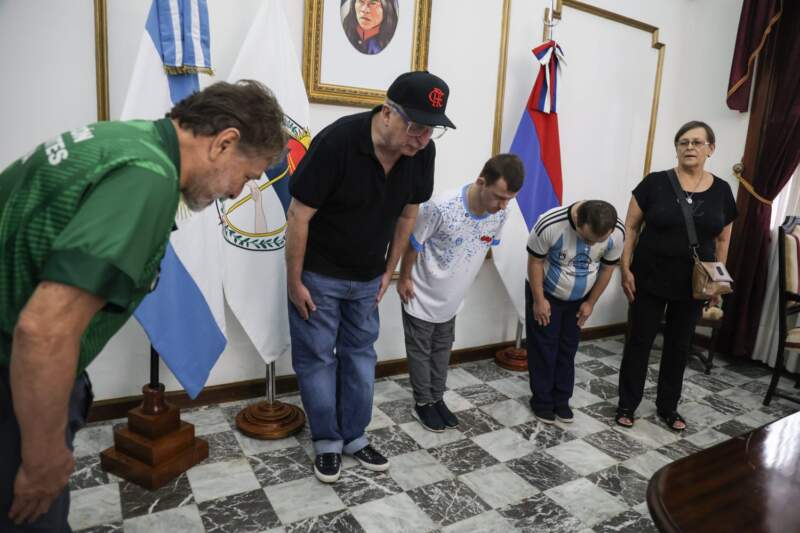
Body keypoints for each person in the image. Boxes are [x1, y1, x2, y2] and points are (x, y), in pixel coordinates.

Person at [0, 80, 287, 531]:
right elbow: (44, 331)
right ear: (225, 142)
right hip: (12, 383)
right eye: (247, 176)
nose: (236, 193)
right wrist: (42, 455)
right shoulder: (148, 178)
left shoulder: (126, 139)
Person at [286, 70, 454, 483]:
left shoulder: (421, 155)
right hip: (319, 275)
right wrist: (294, 281)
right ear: (386, 113)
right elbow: (298, 214)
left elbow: (409, 212)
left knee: (361, 358)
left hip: (367, 276)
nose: (421, 139)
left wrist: (391, 268)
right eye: (415, 126)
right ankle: (327, 440)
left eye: (431, 130)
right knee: (318, 359)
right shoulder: (337, 142)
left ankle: (354, 437)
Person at [616, 121, 736, 431]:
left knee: (678, 345)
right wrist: (624, 267)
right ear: (677, 148)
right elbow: (630, 227)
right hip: (649, 276)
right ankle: (627, 403)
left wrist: (719, 282)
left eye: (697, 142)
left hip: (693, 284)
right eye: (683, 142)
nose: (690, 147)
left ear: (710, 149)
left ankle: (668, 406)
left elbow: (723, 241)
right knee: (639, 342)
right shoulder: (654, 183)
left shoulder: (722, 191)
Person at [398, 154, 524, 432]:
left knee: (443, 348)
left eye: (509, 199)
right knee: (421, 350)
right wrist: (404, 277)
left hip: (453, 297)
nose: (503, 206)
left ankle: (436, 397)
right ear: (481, 182)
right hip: (421, 290)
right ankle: (422, 403)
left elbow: (483, 244)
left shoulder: (502, 211)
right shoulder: (440, 207)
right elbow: (413, 244)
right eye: (499, 197)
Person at [527, 200, 624, 424]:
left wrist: (591, 302)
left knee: (567, 349)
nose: (591, 245)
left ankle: (561, 400)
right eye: (587, 239)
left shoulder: (617, 232)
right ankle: (542, 402)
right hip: (547, 293)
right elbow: (534, 262)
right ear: (578, 222)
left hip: (580, 298)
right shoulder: (550, 223)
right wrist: (539, 300)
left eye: (598, 241)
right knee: (544, 347)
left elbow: (608, 268)